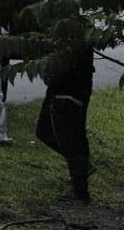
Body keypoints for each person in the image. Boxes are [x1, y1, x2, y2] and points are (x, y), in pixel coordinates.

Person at [36, 44, 95, 203]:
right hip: (61, 88)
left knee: (71, 141)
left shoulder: (74, 39)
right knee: (45, 132)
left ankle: (80, 189)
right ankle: (82, 167)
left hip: (69, 90)